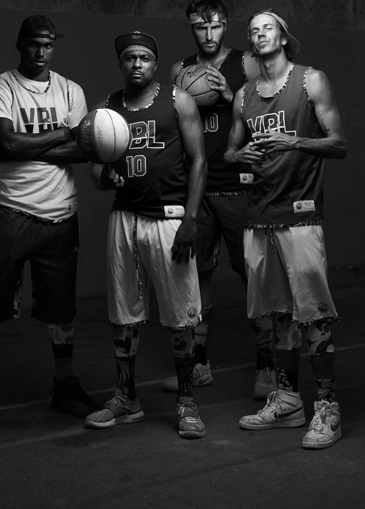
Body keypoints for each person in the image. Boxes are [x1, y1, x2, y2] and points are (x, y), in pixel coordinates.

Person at [0, 15, 99, 440]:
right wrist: (59, 134)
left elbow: (83, 150)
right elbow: (6, 142)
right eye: (34, 44)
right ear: (19, 44)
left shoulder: (71, 90)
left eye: (48, 44)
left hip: (60, 213)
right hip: (12, 212)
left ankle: (65, 387)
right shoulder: (1, 87)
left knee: (62, 311)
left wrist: (24, 147)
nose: (41, 52)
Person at [225, 10, 348, 450]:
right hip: (259, 216)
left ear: (283, 37)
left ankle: (327, 407)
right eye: (253, 31)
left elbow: (339, 143)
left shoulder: (311, 80)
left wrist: (295, 141)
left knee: (313, 314)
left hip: (300, 216)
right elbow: (229, 153)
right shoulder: (243, 95)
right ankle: (289, 401)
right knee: (278, 316)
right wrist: (240, 157)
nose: (260, 34)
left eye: (268, 28)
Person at [85, 31, 210, 439]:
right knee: (123, 313)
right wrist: (105, 176)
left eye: (143, 58)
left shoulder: (178, 101)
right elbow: (95, 172)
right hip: (125, 218)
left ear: (155, 63)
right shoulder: (105, 108)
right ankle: (126, 398)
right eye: (129, 58)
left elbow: (199, 160)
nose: (136, 64)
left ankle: (187, 402)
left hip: (169, 219)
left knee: (181, 316)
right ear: (121, 64)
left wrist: (191, 219)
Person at [160, 0, 276, 401]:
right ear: (191, 28)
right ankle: (198, 362)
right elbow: (177, 127)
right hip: (199, 187)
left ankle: (267, 364)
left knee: (253, 273)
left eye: (215, 26)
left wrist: (230, 96)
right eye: (199, 27)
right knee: (195, 275)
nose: (208, 34)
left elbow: (267, 112)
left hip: (240, 185)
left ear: (225, 24)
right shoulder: (180, 70)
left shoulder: (246, 63)